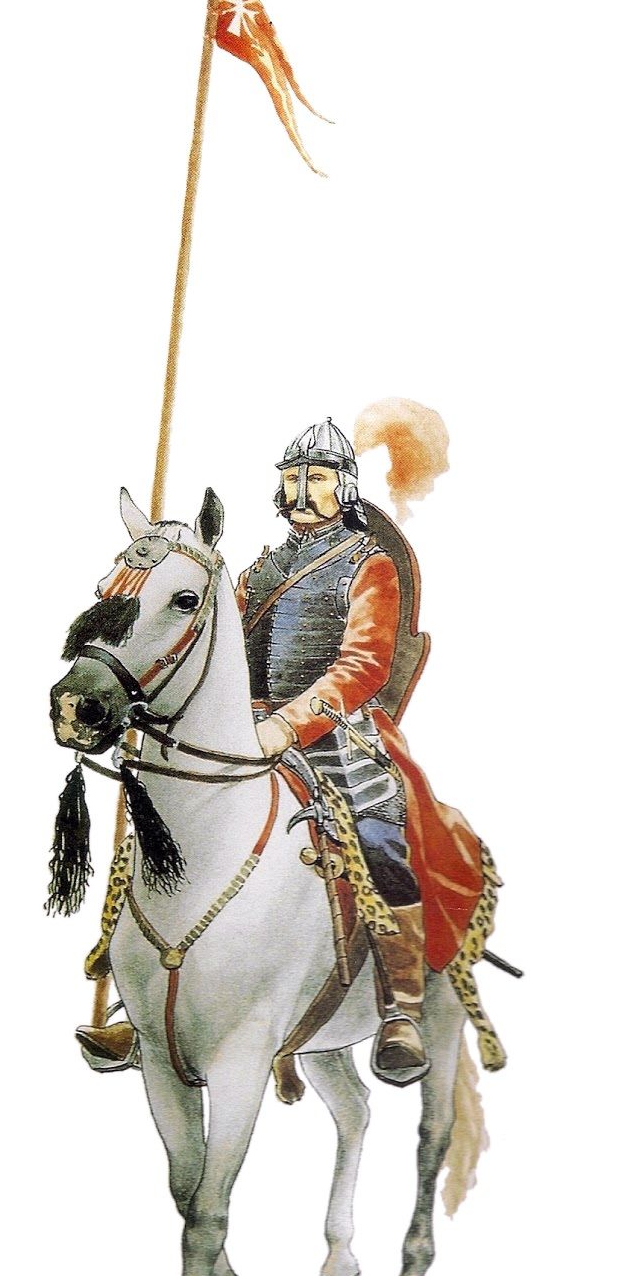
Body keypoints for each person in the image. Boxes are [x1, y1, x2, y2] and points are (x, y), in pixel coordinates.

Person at [236, 417, 483, 1084]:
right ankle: (151, 998)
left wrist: (287, 725)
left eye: (315, 478)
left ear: (343, 486)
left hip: (337, 738)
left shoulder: (367, 565)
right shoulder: (260, 571)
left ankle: (400, 1009)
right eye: (292, 478)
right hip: (248, 730)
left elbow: (363, 666)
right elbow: (229, 652)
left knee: (379, 839)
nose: (300, 490)